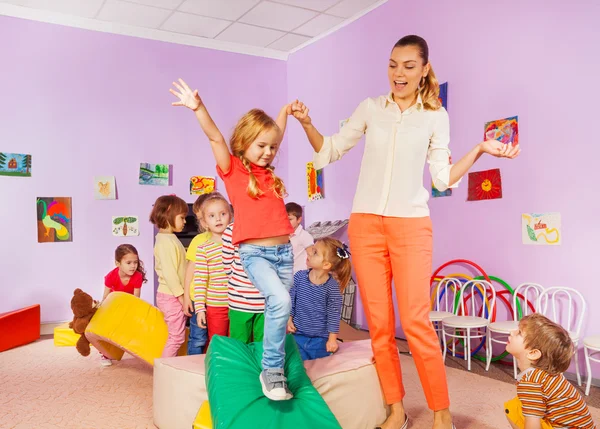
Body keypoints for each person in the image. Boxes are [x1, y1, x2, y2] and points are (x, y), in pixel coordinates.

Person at [291, 34, 520, 429]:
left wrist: (481, 148)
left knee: (414, 321)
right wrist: (308, 123)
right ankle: (395, 409)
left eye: (409, 66)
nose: (399, 73)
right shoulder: (371, 108)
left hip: (411, 225)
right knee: (378, 326)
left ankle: (441, 413)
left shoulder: (435, 116)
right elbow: (329, 149)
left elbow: (442, 177)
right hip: (364, 225)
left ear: (424, 69)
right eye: (394, 64)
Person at [170, 78, 296, 401]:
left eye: (272, 148)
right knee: (280, 301)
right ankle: (271, 371)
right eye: (261, 146)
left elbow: (276, 133)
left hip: (284, 252)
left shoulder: (268, 172)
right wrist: (198, 108)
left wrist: (284, 112)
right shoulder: (234, 170)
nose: (268, 152)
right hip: (255, 252)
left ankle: (274, 368)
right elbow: (214, 135)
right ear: (243, 143)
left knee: (276, 311)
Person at [504, 313, 596, 429]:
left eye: (519, 333)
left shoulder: (531, 382)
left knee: (512, 410)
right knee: (519, 404)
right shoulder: (546, 373)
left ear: (533, 354)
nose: (512, 332)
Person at [287, 238, 351, 361]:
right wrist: (289, 320)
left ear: (326, 265)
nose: (309, 252)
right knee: (296, 363)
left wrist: (332, 339)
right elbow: (291, 300)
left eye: (315, 252)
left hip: (320, 339)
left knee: (319, 366)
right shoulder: (299, 277)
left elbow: (334, 314)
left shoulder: (332, 287)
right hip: (297, 335)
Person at [150, 194, 189, 358]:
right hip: (171, 296)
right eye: (182, 217)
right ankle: (164, 370)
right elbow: (169, 273)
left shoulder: (169, 238)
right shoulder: (165, 242)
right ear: (168, 213)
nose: (185, 221)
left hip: (172, 295)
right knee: (177, 337)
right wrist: (181, 297)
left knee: (177, 335)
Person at [192, 192, 232, 344]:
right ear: (204, 223)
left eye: (223, 214)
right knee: (217, 341)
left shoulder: (238, 246)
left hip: (237, 304)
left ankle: (234, 368)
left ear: (230, 216)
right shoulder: (203, 249)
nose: (218, 218)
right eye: (212, 216)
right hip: (215, 306)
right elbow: (200, 281)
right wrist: (200, 308)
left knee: (237, 342)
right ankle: (216, 367)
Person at [100, 244, 147, 366]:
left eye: (135, 262)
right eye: (129, 263)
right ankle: (105, 354)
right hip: (114, 306)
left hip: (130, 305)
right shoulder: (111, 276)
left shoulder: (137, 276)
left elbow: (136, 298)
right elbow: (105, 297)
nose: (133, 266)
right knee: (108, 330)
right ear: (118, 263)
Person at [222, 222, 266, 344]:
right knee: (241, 345)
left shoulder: (272, 227)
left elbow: (227, 265)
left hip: (264, 299)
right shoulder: (232, 229)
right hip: (241, 299)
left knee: (260, 345)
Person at [286, 202, 314, 273]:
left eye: (289, 219)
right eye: (284, 219)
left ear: (299, 220)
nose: (286, 222)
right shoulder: (283, 236)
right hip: (287, 274)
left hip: (301, 275)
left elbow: (311, 256)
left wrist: (309, 276)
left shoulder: (305, 236)